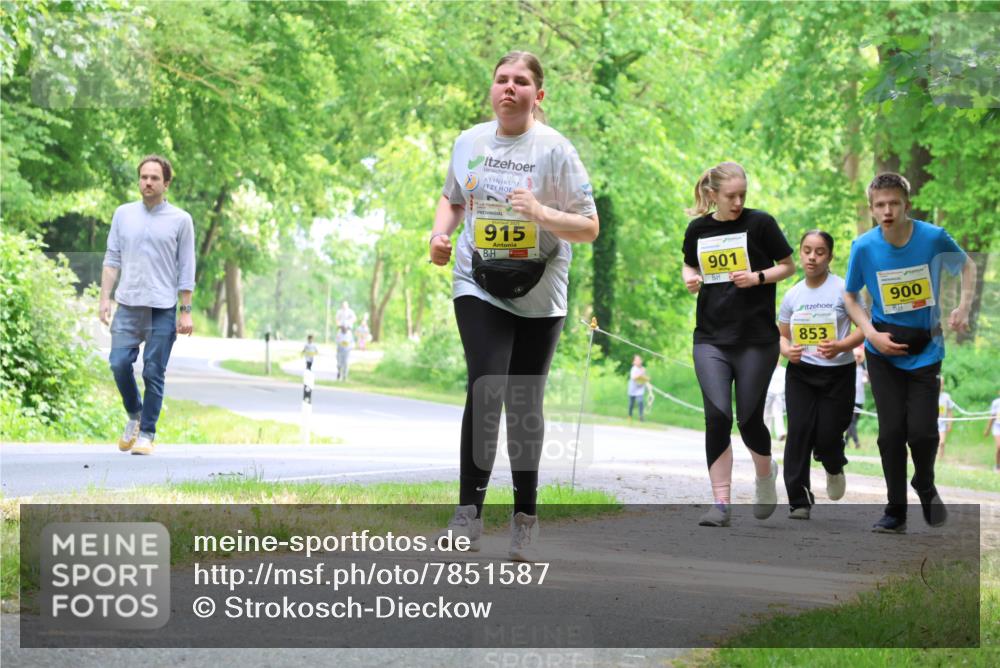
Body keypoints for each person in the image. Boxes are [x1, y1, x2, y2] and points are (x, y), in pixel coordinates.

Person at [429, 51, 599, 561]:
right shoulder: (469, 142)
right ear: (492, 88)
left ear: (537, 95)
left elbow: (588, 228)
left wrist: (541, 212)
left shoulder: (555, 150)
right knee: (486, 387)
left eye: (521, 82)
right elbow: (454, 198)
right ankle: (468, 515)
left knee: (523, 404)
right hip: (476, 279)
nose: (509, 88)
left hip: (540, 287)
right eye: (501, 80)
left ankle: (525, 516)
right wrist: (441, 234)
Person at [844, 172, 976, 534]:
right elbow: (850, 296)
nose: (887, 211)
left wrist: (963, 307)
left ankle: (925, 483)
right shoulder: (864, 247)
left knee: (922, 433)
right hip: (882, 349)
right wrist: (871, 333)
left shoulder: (932, 238)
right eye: (880, 205)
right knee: (890, 434)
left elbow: (967, 266)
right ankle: (895, 511)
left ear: (906, 205)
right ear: (872, 209)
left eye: (894, 204)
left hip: (926, 348)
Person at [681, 161, 795, 527]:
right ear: (713, 195)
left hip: (757, 340)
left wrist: (758, 277)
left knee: (748, 419)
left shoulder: (760, 223)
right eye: (731, 196)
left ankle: (765, 474)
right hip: (711, 338)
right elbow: (688, 264)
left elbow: (788, 266)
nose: (738, 201)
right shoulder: (698, 229)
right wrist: (691, 278)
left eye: (743, 194)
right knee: (717, 417)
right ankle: (721, 503)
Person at [99, 155, 195, 456]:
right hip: (128, 304)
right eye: (144, 177)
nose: (148, 182)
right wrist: (104, 297)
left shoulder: (181, 220)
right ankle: (135, 415)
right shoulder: (123, 214)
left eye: (154, 178)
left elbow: (186, 265)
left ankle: (147, 433)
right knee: (117, 363)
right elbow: (112, 258)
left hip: (162, 307)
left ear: (166, 183)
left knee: (154, 371)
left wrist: (186, 310)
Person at [778, 230, 865, 520]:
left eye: (819, 252)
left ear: (830, 256)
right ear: (800, 253)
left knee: (828, 435)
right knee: (799, 431)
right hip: (801, 373)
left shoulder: (845, 289)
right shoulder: (793, 294)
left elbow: (865, 328)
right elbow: (781, 336)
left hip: (837, 373)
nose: (812, 257)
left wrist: (842, 345)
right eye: (807, 250)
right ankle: (798, 500)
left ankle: (833, 463)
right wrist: (787, 350)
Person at [844, 345, 868, 449]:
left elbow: (867, 382)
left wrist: (867, 377)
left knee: (853, 422)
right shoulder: (848, 369)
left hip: (860, 399)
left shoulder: (863, 370)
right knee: (851, 422)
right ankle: (857, 442)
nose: (857, 358)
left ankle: (845, 441)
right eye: (855, 356)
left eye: (859, 356)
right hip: (850, 399)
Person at [764, 361, 786, 441]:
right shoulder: (768, 369)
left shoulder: (783, 371)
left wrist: (781, 394)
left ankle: (780, 433)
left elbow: (784, 383)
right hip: (768, 395)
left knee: (778, 414)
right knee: (766, 415)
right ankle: (766, 433)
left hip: (778, 396)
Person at [937, 376, 955, 459]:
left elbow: (950, 411)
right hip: (930, 423)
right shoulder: (929, 395)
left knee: (942, 442)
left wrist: (950, 424)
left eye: (942, 384)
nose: (940, 386)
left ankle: (941, 458)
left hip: (942, 424)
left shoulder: (946, 397)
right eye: (939, 384)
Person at [627, 355, 650, 423]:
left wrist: (646, 381)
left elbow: (645, 379)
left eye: (640, 360)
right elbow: (634, 378)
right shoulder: (633, 369)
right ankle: (630, 415)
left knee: (640, 401)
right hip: (633, 388)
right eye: (637, 360)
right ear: (634, 362)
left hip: (640, 389)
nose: (639, 361)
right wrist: (641, 377)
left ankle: (641, 416)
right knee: (631, 403)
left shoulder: (643, 369)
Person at [985, 390, 1000, 472]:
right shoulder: (996, 403)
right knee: (999, 446)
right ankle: (997, 466)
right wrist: (988, 429)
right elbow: (992, 417)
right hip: (997, 427)